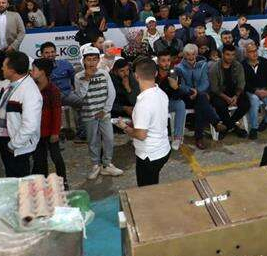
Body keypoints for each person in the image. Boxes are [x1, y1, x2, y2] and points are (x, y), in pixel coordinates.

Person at [116, 57, 171, 187]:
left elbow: (141, 135)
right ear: (156, 73)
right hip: (164, 148)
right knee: (153, 185)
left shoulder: (143, 103)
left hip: (149, 155)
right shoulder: (161, 93)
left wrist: (125, 127)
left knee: (146, 191)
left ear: (136, 76)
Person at [74, 45, 123, 180]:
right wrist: (86, 80)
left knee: (109, 138)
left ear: (98, 60)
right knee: (93, 141)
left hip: (104, 113)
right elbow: (80, 96)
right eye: (88, 60)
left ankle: (107, 164)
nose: (91, 63)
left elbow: (111, 93)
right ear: (84, 61)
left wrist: (105, 110)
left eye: (94, 59)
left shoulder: (104, 73)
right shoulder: (78, 76)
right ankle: (95, 165)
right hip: (89, 114)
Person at [175, 43, 225, 150]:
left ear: (196, 54)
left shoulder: (203, 65)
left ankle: (199, 138)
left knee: (200, 102)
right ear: (184, 55)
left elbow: (205, 82)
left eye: (193, 54)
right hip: (187, 97)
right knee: (202, 100)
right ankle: (215, 122)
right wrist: (191, 91)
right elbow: (181, 86)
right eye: (188, 54)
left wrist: (197, 91)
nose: (191, 57)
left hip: (200, 95)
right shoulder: (179, 68)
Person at [29, 59, 67, 186]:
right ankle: (42, 184)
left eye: (34, 69)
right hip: (36, 133)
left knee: (56, 158)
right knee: (39, 160)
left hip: (50, 131)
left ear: (42, 72)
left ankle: (63, 182)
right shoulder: (31, 88)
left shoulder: (53, 90)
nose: (31, 71)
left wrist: (55, 132)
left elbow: (57, 113)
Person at [208, 47, 250, 138]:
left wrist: (236, 96)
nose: (230, 57)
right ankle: (234, 127)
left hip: (234, 92)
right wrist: (227, 98)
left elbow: (241, 83)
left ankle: (227, 126)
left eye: (233, 55)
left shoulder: (238, 65)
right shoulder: (214, 68)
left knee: (246, 103)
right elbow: (214, 88)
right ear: (222, 54)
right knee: (219, 104)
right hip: (220, 93)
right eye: (228, 54)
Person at [242, 43, 267, 140]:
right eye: (251, 52)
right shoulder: (242, 65)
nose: (254, 53)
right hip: (251, 90)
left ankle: (266, 121)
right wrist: (255, 91)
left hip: (265, 89)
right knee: (254, 101)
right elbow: (243, 83)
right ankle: (254, 128)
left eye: (255, 51)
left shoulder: (265, 62)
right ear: (246, 53)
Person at [154, 50, 187, 150]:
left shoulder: (174, 73)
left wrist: (176, 87)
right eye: (163, 60)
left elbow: (180, 95)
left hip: (167, 103)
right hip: (154, 104)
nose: (166, 63)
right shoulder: (152, 73)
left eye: (168, 60)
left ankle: (177, 138)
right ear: (158, 61)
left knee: (180, 104)